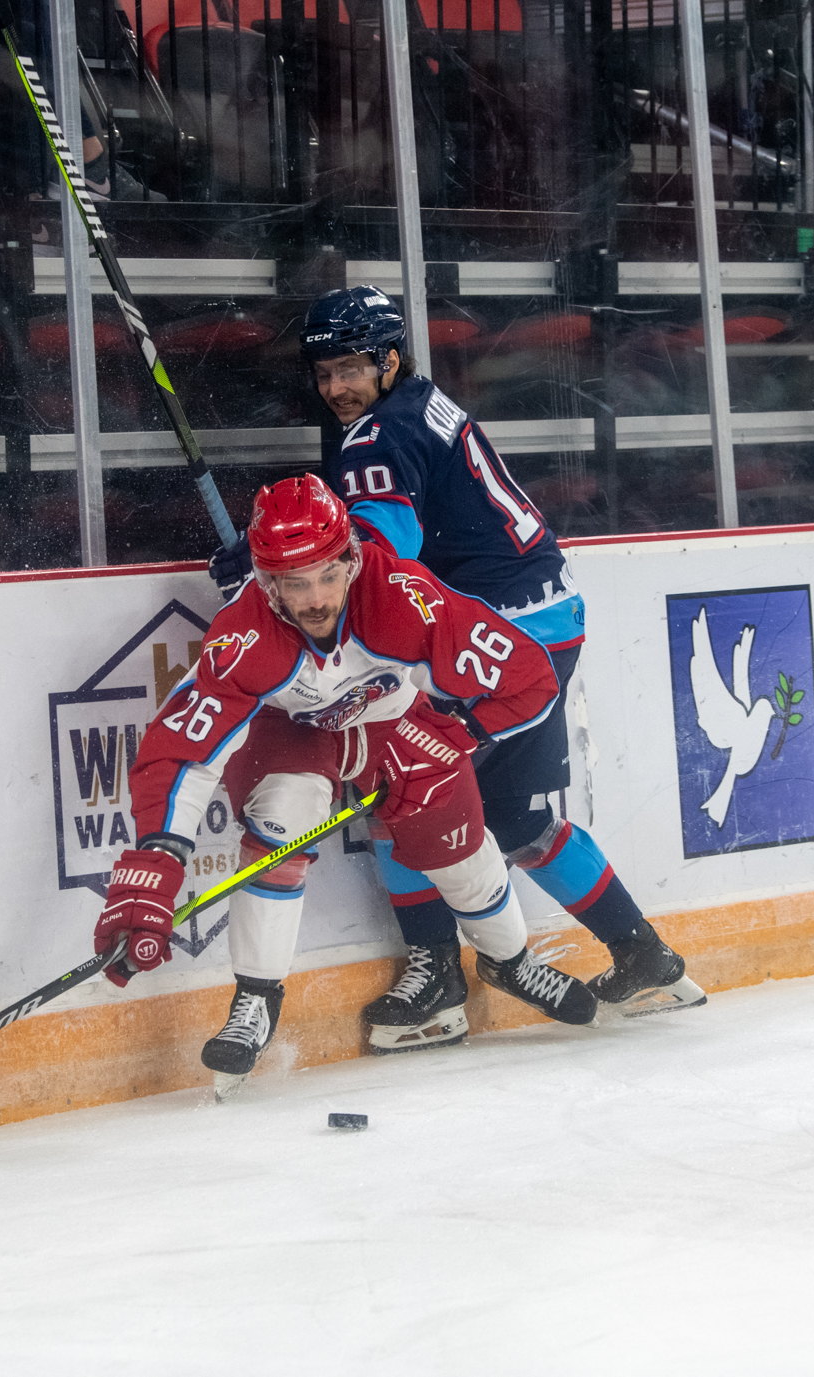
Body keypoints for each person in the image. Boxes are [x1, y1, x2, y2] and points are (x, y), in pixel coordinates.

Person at [213, 286, 705, 1053]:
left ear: (390, 359)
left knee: (400, 787)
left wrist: (265, 566)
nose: (335, 386)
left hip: (493, 637)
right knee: (516, 816)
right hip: (547, 618)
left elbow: (382, 543)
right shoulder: (418, 405)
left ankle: (438, 980)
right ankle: (645, 957)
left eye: (350, 368)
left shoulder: (375, 436)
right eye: (324, 371)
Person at [94, 473, 598, 1097]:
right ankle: (256, 999)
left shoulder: (404, 600)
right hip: (293, 734)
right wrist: (156, 859)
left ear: (351, 558)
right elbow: (182, 753)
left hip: (398, 725)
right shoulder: (244, 635)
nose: (314, 599)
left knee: (461, 851)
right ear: (265, 579)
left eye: (327, 576)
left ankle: (512, 962)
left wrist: (462, 729)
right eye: (294, 583)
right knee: (282, 815)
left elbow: (530, 677)